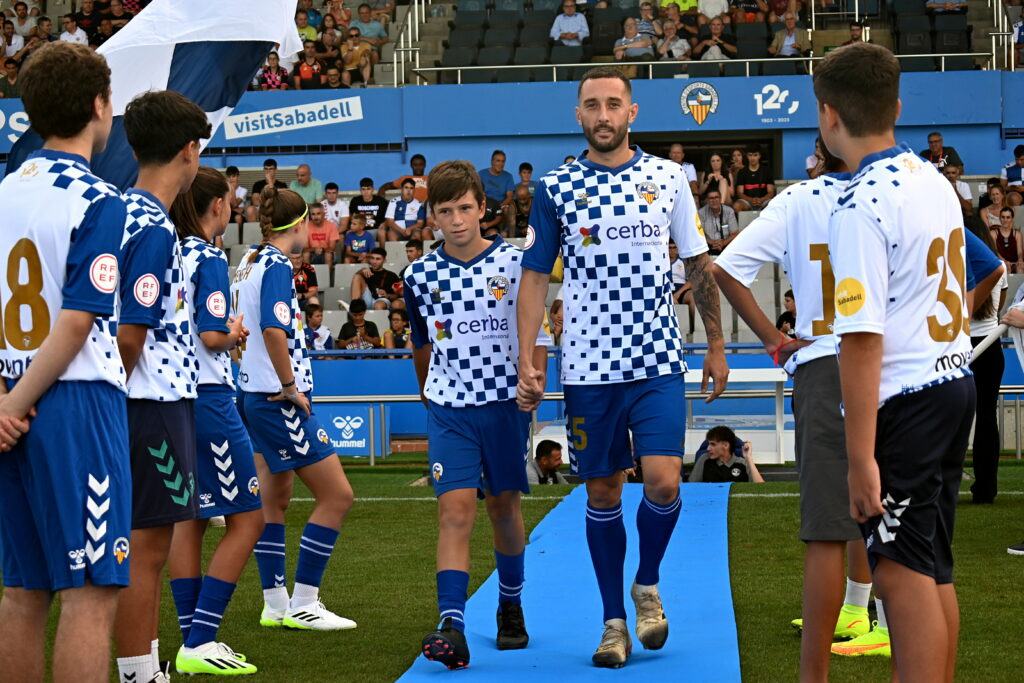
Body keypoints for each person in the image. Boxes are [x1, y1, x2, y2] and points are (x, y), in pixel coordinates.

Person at [517, 66, 728, 669]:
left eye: (614, 104)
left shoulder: (667, 178)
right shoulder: (555, 187)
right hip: (586, 366)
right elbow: (534, 275)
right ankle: (614, 623)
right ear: (578, 116)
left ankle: (648, 583)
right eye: (592, 106)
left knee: (663, 482)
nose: (603, 115)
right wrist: (527, 355)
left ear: (632, 113)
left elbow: (696, 262)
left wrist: (714, 344)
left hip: (658, 358)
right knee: (604, 491)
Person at [819, 42, 976, 683]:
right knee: (933, 567)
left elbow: (860, 340)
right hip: (951, 380)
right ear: (897, 108)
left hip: (907, 398)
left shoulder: (858, 205)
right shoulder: (931, 177)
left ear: (828, 118)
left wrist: (860, 461)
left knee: (901, 575)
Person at [713, 142, 881, 681]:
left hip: (826, 358)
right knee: (899, 511)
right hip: (891, 361)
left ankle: (827, 656)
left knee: (830, 523)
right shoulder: (902, 186)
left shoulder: (799, 199)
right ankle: (867, 615)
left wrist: (774, 340)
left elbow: (727, 268)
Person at [0, 42, 128, 683]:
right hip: (73, 402)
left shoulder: (2, 192)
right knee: (90, 589)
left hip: (8, 401)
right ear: (99, 105)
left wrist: (4, 405)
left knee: (23, 590)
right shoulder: (101, 199)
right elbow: (77, 321)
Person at [405, 159, 551, 670]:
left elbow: (539, 336)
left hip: (504, 406)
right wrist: (432, 396)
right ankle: (453, 624)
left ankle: (510, 605)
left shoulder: (515, 264)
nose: (457, 219)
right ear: (433, 216)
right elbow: (421, 347)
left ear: (483, 208)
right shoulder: (417, 275)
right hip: (450, 409)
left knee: (503, 510)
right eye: (445, 211)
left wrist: (535, 382)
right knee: (455, 511)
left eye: (465, 208)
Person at [113, 90, 209, 683]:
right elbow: (131, 332)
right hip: (149, 399)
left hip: (143, 397)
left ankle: (144, 667)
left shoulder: (117, 210)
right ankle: (138, 672)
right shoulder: (152, 226)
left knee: (140, 547)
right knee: (145, 551)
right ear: (189, 151)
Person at [233, 187, 356, 632]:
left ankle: (274, 602)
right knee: (337, 495)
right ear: (301, 223)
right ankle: (305, 602)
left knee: (275, 497)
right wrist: (289, 386)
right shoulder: (278, 265)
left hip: (251, 394)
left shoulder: (249, 260)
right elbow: (271, 328)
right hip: (275, 397)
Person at [168, 167, 262, 676]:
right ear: (218, 207)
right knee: (247, 517)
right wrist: (235, 332)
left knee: (192, 517)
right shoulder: (206, 256)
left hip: (174, 396)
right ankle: (201, 639)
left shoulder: (169, 250)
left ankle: (192, 638)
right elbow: (211, 335)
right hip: (208, 397)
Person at [964, 218, 1007, 505]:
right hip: (990, 346)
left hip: (962, 345)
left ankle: (941, 483)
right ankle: (986, 488)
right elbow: (1000, 304)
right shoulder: (999, 266)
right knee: (987, 418)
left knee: (951, 417)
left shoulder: (954, 259)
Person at [688, 427, 763, 483]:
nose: (708, 448)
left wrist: (749, 458)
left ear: (726, 445)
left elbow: (761, 489)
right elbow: (691, 486)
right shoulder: (704, 459)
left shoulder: (743, 463)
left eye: (713, 444)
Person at [480, 150, 516, 231]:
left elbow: (509, 197)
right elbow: (477, 193)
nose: (500, 164)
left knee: (507, 210)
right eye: (498, 161)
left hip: (501, 204)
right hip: (486, 204)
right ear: (492, 161)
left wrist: (498, 207)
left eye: (503, 161)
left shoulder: (508, 176)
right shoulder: (481, 174)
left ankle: (505, 233)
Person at [382, 177, 427, 242]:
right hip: (397, 229)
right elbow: (390, 222)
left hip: (412, 230)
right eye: (406, 188)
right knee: (391, 234)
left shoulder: (419, 204)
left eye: (411, 188)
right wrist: (402, 231)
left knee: (417, 234)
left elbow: (420, 223)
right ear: (402, 189)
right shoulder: (393, 201)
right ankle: (395, 252)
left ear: (414, 190)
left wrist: (409, 229)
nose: (408, 191)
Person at [733, 147, 775, 212]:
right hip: (747, 202)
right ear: (747, 156)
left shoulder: (766, 170)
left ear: (759, 156)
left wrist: (761, 200)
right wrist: (751, 200)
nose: (752, 158)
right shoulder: (742, 172)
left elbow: (771, 192)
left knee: (773, 205)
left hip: (764, 201)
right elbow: (740, 193)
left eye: (755, 155)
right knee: (737, 206)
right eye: (750, 155)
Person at [698, 189, 738, 255]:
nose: (714, 200)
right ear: (707, 200)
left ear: (720, 199)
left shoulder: (729, 211)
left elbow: (735, 233)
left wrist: (723, 243)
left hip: (726, 245)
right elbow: (699, 234)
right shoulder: (701, 213)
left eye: (716, 197)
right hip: (708, 246)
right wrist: (713, 243)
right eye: (711, 198)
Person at [669, 241, 694, 332]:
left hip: (681, 289)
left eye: (674, 248)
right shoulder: (661, 261)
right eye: (669, 248)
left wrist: (678, 294)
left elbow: (692, 280)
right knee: (671, 300)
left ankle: (692, 327)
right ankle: (677, 330)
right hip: (667, 290)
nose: (672, 251)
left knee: (693, 297)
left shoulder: (684, 262)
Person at [304, 203, 339, 268]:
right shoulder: (306, 226)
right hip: (312, 253)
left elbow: (332, 248)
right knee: (306, 254)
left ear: (324, 214)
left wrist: (322, 249)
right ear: (310, 215)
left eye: (318, 214)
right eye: (313, 214)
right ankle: (307, 277)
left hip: (326, 252)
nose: (316, 217)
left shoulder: (331, 226)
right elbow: (305, 248)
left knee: (328, 254)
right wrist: (315, 249)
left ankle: (328, 277)